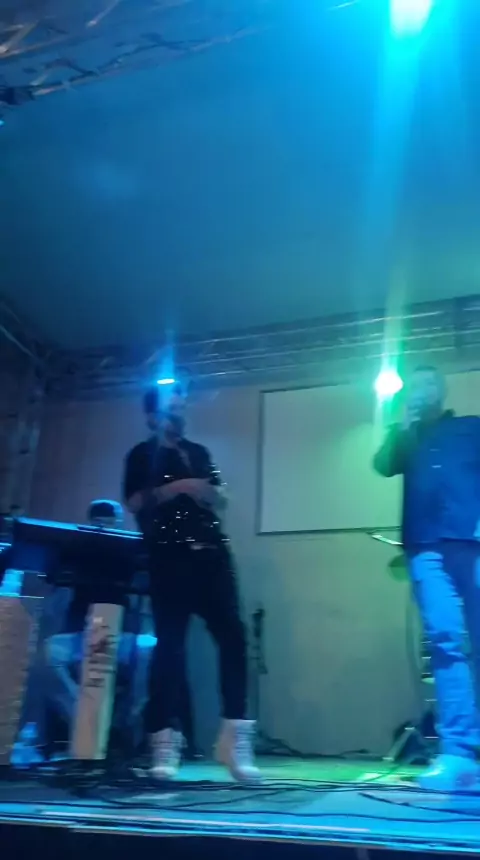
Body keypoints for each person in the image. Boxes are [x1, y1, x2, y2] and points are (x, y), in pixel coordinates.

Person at [122, 383, 259, 782]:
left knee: (234, 638)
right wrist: (180, 487)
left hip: (212, 554)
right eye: (171, 409)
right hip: (169, 557)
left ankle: (234, 736)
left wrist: (211, 493)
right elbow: (133, 502)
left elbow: (222, 498)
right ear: (152, 416)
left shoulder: (199, 452)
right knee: (170, 647)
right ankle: (164, 741)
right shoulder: (141, 454)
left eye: (182, 408)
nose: (179, 414)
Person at [373, 365, 480, 792]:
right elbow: (383, 466)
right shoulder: (404, 436)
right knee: (445, 639)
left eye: (430, 382)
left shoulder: (470, 428)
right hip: (425, 547)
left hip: (473, 543)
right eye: (415, 384)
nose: (423, 389)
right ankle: (460, 755)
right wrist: (400, 425)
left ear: (443, 389)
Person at [44, 500, 154, 754]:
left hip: (121, 635)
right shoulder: (75, 549)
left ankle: (124, 721)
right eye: (99, 523)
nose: (105, 529)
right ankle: (85, 717)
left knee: (150, 653)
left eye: (111, 523)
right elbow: (54, 595)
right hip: (80, 635)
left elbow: (146, 586)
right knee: (47, 655)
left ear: (119, 524)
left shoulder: (130, 550)